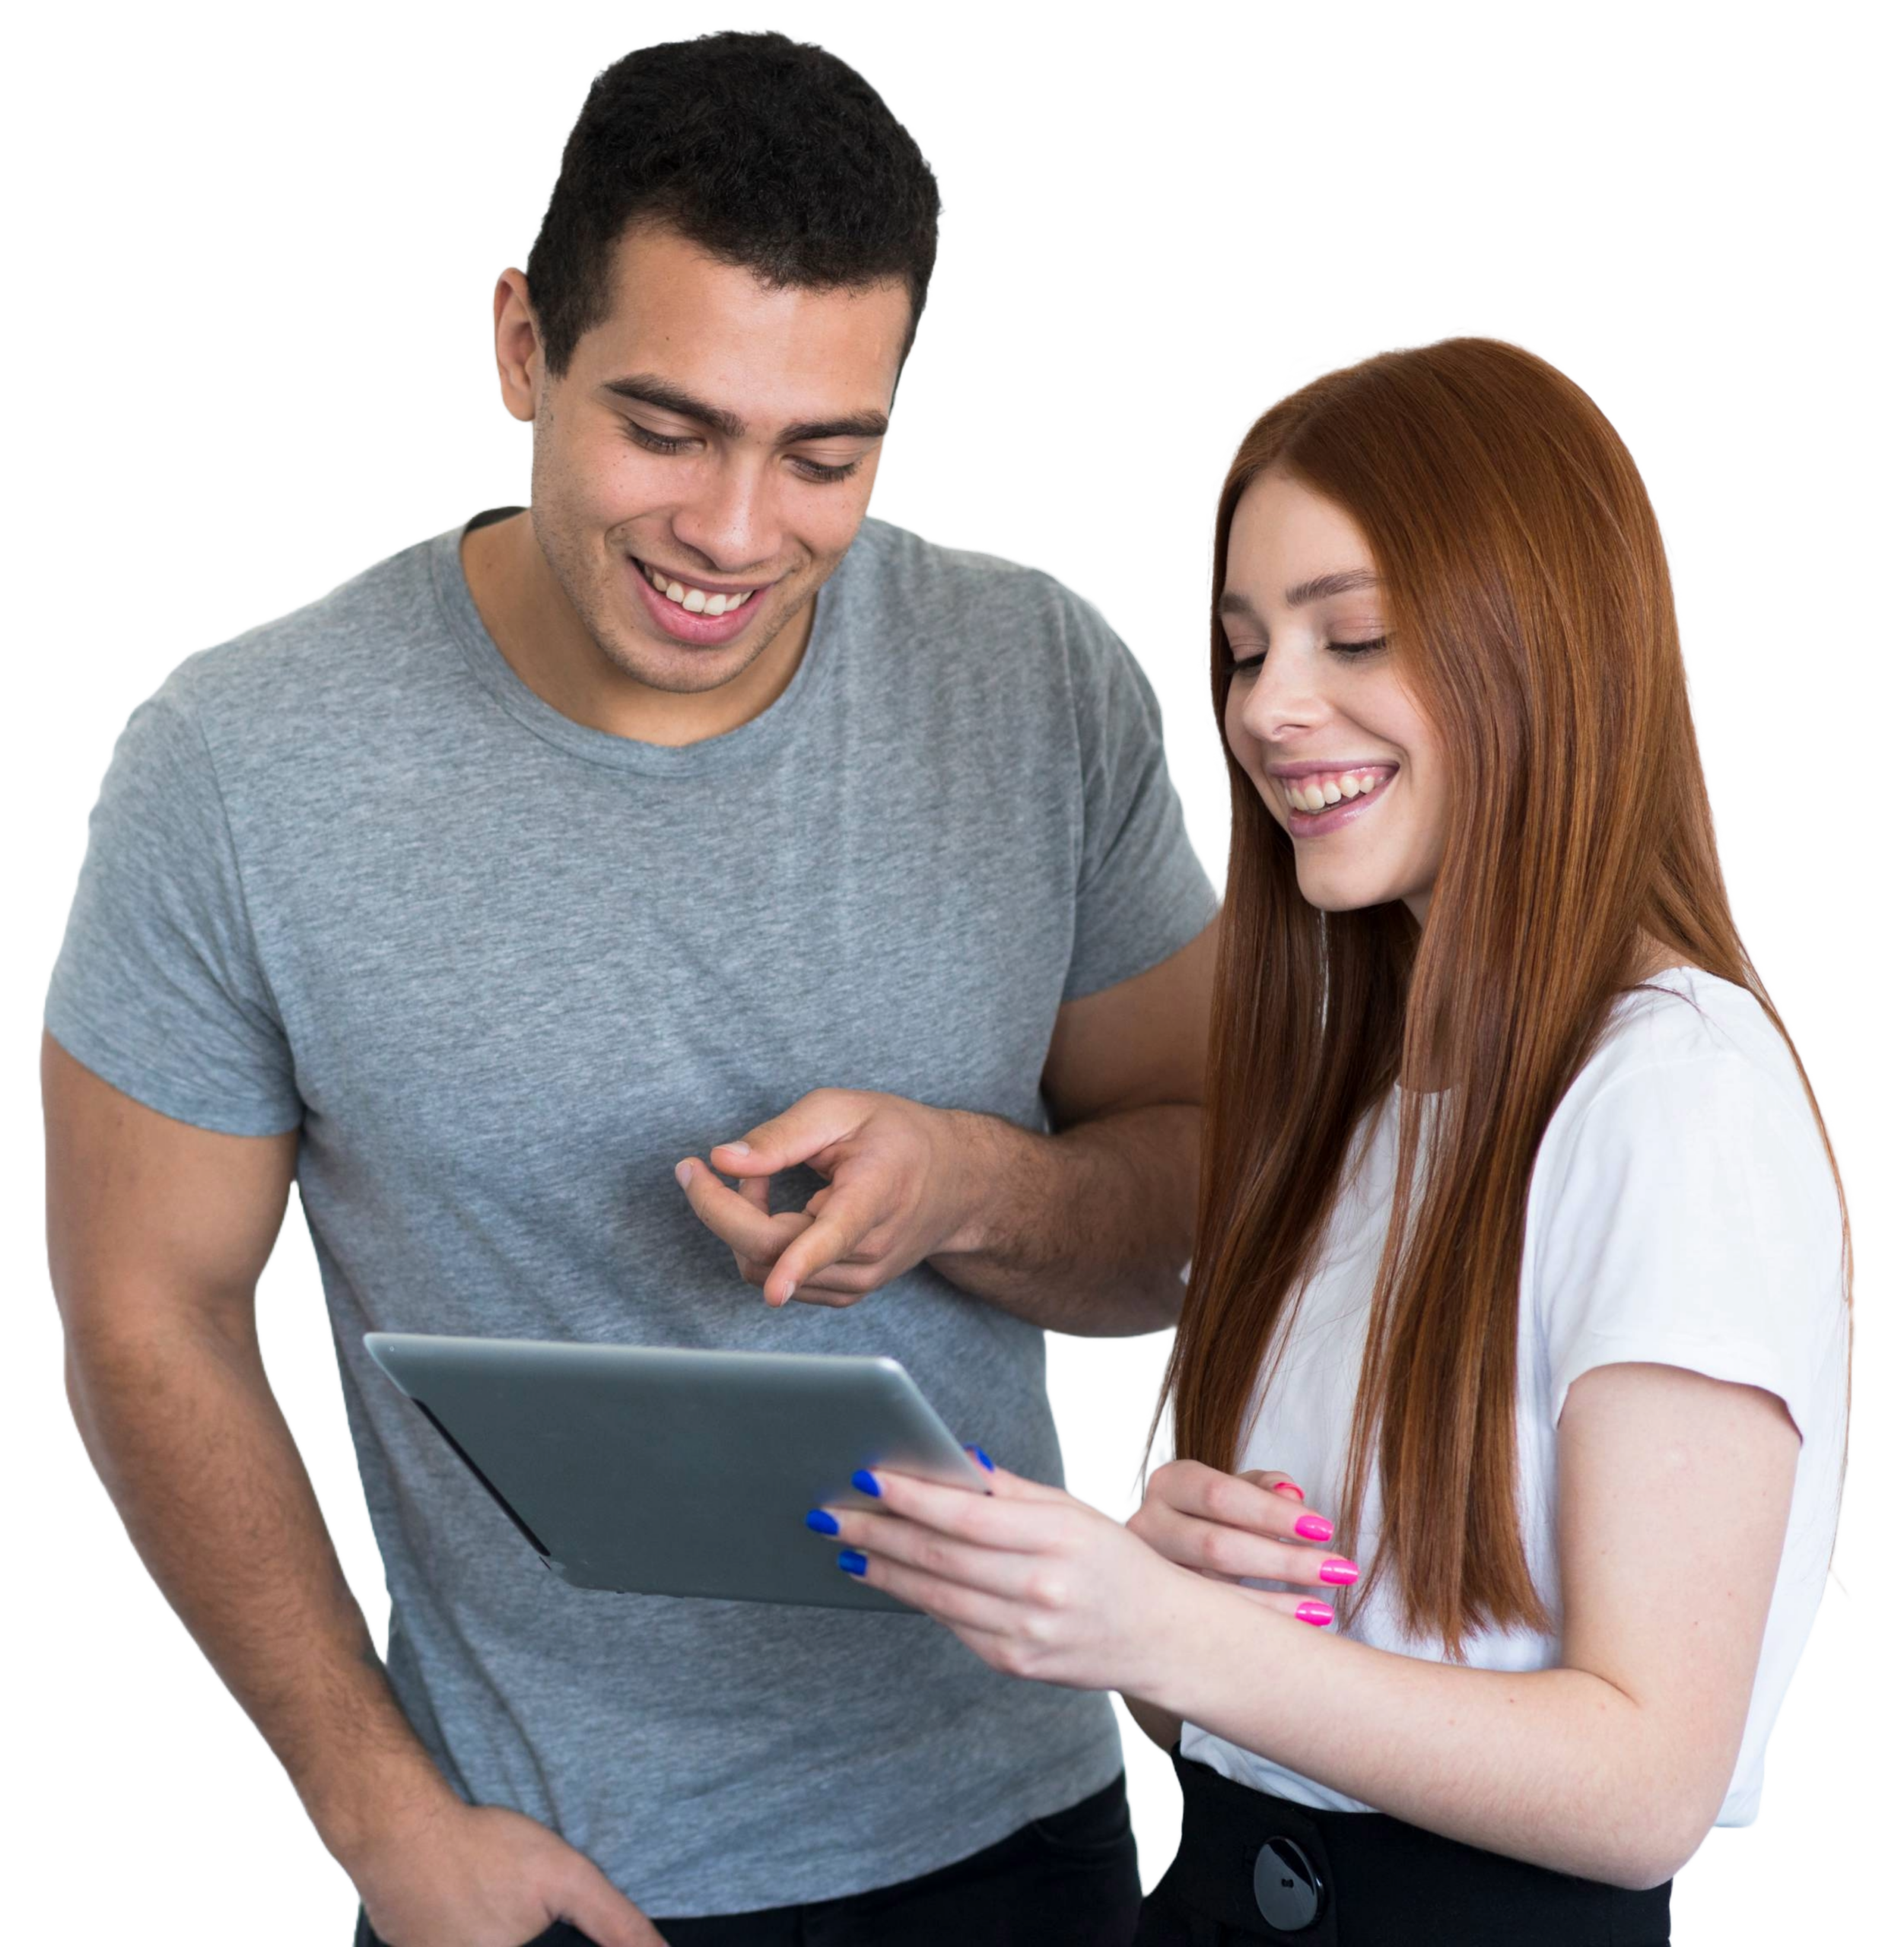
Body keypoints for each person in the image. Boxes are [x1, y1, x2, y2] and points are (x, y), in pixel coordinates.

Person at [37, 29, 1279, 1947]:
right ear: (522, 343)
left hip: (1019, 1830)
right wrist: (377, 1812)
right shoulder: (234, 761)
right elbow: (148, 1313)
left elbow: (1210, 1221)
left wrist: (969, 1185)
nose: (734, 532)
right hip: (533, 1872)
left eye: (824, 455)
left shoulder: (1036, 678)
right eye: (669, 427)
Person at [815, 330, 1858, 1946]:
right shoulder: (1347, 1095)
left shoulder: (1677, 1093)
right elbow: (1215, 1715)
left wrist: (1166, 1631)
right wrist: (1160, 1601)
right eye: (1242, 652)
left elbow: (1649, 1780)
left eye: (1351, 636)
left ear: (1542, 644)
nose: (1269, 712)